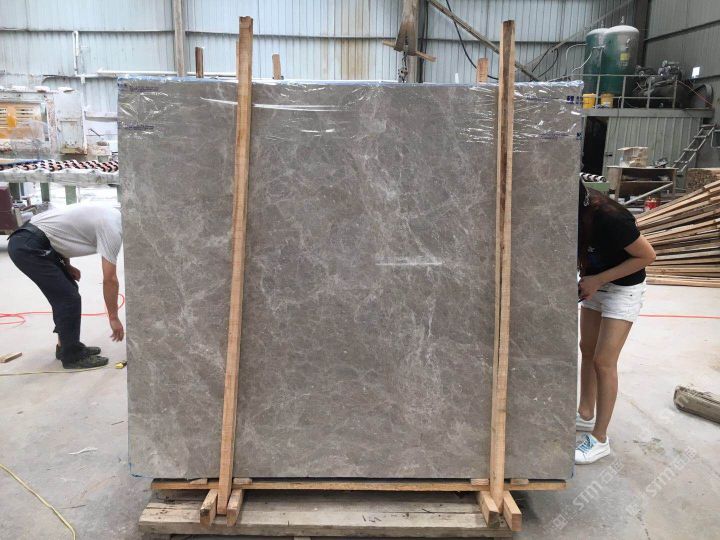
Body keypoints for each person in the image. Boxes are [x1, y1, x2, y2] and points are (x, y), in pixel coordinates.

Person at [574, 182, 656, 464]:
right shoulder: (569, 216)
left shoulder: (611, 218)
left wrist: (598, 279)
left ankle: (599, 439)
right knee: (587, 349)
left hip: (624, 289)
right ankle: (586, 413)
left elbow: (648, 256)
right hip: (595, 283)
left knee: (604, 361)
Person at [8, 203, 124, 369]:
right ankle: (72, 357)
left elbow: (62, 232)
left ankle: (64, 346)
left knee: (67, 291)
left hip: (32, 239)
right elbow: (109, 279)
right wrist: (113, 317)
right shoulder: (113, 229)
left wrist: (67, 266)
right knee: (68, 298)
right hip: (28, 246)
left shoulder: (110, 213)